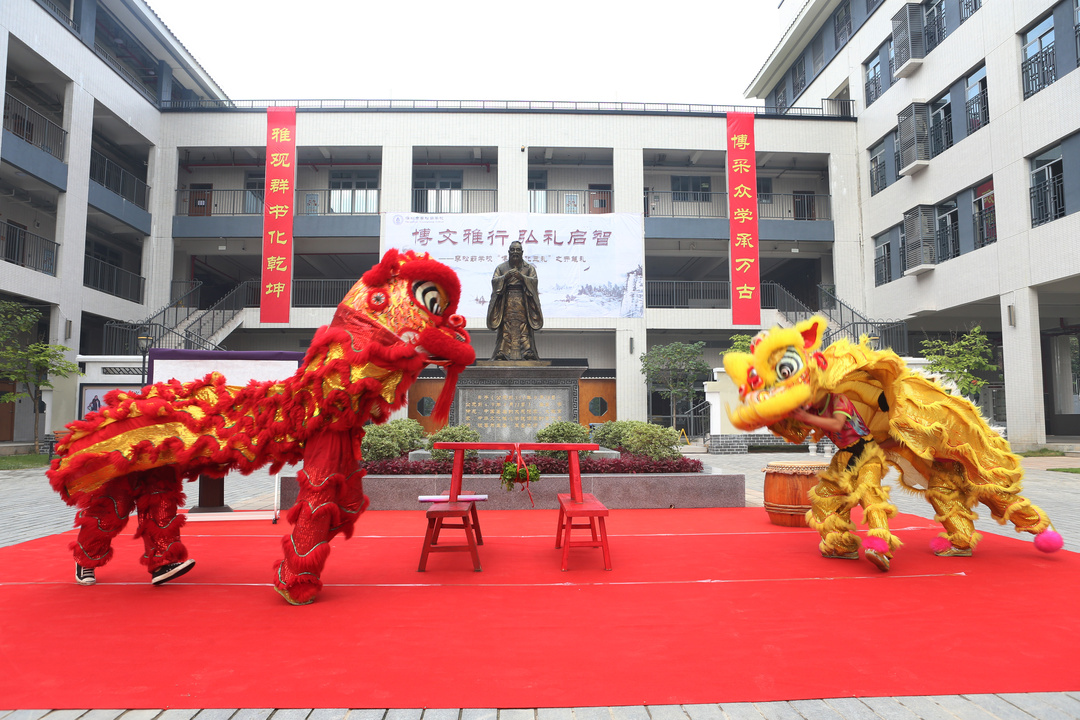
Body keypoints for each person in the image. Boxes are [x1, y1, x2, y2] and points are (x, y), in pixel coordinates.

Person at [791, 392, 897, 571]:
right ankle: (842, 545)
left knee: (869, 494)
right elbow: (797, 435)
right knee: (823, 495)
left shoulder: (839, 399)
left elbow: (837, 423)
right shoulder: (812, 410)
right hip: (844, 458)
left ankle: (881, 548)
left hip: (867, 454)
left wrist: (805, 416)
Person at [486, 240, 543, 360]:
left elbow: (534, 281)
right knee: (506, 326)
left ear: (522, 252)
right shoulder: (501, 268)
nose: (515, 252)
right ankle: (502, 351)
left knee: (524, 326)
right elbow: (495, 281)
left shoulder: (529, 268)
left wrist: (521, 277)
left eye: (518, 250)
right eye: (513, 250)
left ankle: (527, 351)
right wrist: (506, 277)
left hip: (523, 301)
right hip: (506, 300)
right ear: (509, 252)